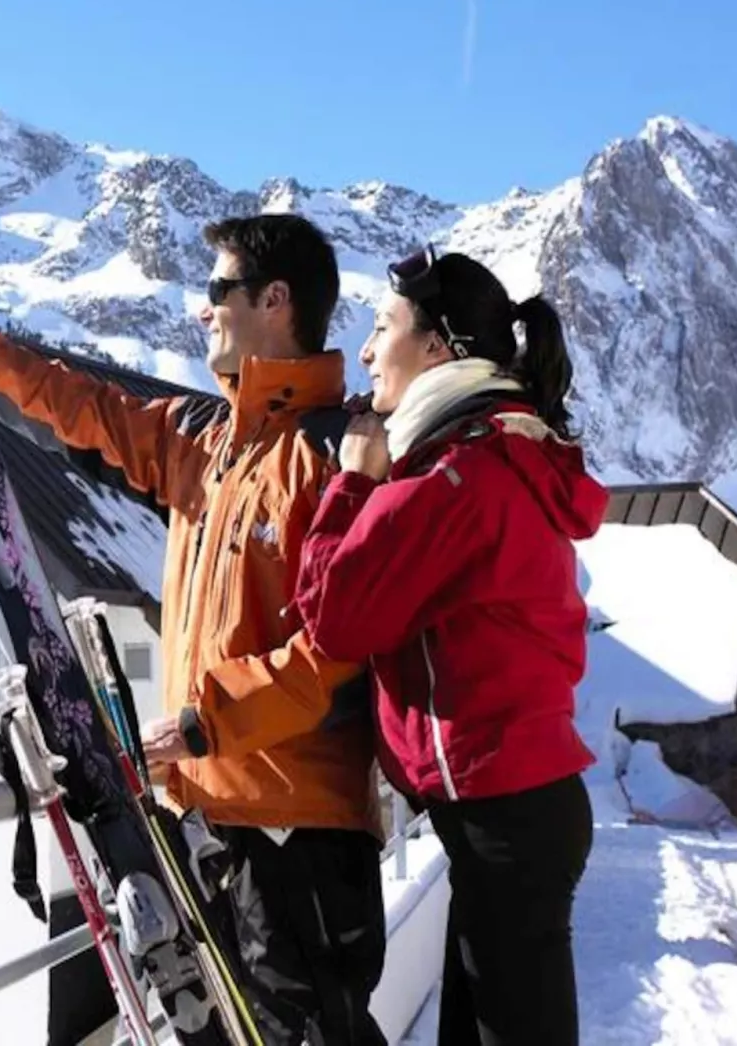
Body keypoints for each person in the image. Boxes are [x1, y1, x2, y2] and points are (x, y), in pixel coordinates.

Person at [0, 213, 388, 1046]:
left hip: (302, 838)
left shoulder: (339, 456)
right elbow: (78, 405)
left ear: (276, 300)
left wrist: (200, 727)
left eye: (218, 290)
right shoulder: (207, 445)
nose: (202, 310)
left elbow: (334, 654)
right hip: (206, 822)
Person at [292, 244, 606, 1046]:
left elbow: (334, 614)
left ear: (439, 348)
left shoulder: (456, 477)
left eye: (382, 326)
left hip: (505, 818)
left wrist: (353, 481)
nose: (364, 351)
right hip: (511, 814)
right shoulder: (503, 453)